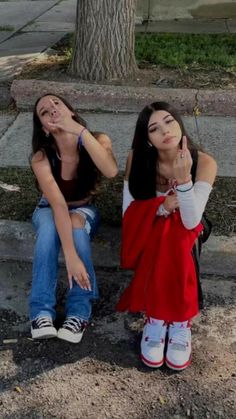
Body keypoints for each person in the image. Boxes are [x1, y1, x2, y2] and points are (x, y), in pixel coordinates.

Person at [116, 101, 217, 370]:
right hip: (148, 226)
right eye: (154, 128)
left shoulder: (204, 162)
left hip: (189, 228)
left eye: (169, 121)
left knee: (173, 233)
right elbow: (129, 213)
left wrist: (184, 182)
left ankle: (173, 319)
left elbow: (192, 219)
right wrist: (160, 207)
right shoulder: (136, 159)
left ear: (180, 123)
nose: (165, 131)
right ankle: (160, 319)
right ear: (147, 139)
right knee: (166, 232)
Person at [29, 93, 118, 343]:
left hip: (83, 208)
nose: (52, 110)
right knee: (48, 228)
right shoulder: (41, 157)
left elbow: (110, 171)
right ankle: (40, 312)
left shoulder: (97, 140)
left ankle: (78, 311)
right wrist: (70, 257)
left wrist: (80, 132)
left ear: (70, 110)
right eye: (44, 112)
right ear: (45, 128)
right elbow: (57, 205)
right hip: (50, 206)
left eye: (57, 104)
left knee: (77, 225)